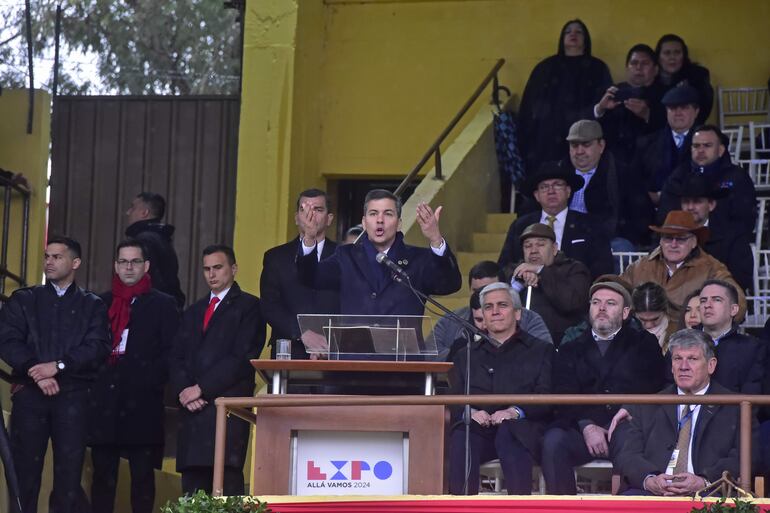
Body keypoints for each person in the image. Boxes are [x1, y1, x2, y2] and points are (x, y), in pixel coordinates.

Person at [0, 236, 110, 513]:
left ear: (75, 263)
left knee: (69, 476)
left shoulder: (92, 305)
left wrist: (59, 366)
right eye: (47, 256)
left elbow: (97, 347)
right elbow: (7, 340)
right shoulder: (25, 299)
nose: (49, 261)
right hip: (29, 395)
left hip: (73, 397)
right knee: (23, 473)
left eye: (57, 257)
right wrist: (37, 371)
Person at [541, 280, 666, 494]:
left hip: (628, 426)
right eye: (596, 302)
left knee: (632, 448)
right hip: (582, 429)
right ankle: (563, 508)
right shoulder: (571, 348)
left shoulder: (644, 343)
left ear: (626, 312)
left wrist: (621, 417)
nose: (601, 308)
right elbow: (563, 393)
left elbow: (652, 386)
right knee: (553, 442)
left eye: (610, 303)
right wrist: (587, 425)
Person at [89, 239, 180, 513]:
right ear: (116, 266)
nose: (129, 267)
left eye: (135, 261)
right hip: (104, 405)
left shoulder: (163, 304)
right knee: (102, 480)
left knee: (142, 481)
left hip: (143, 405)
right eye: (123, 262)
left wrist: (151, 381)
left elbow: (172, 351)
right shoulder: (99, 303)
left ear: (146, 266)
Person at [613, 329, 758, 495]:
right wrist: (650, 479)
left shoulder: (736, 407)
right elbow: (628, 454)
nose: (683, 367)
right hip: (653, 493)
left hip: (710, 492)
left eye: (692, 359)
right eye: (677, 359)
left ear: (711, 365)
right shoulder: (647, 404)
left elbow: (747, 457)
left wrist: (704, 480)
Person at [170, 245, 266, 496]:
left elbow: (242, 358)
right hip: (191, 413)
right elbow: (176, 356)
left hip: (225, 409)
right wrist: (183, 390)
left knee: (225, 484)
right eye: (207, 269)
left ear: (233, 269)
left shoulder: (250, 307)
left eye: (218, 267)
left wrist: (200, 389)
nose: (212, 274)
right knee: (191, 490)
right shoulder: (193, 311)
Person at [448, 283, 553, 495]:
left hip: (523, 430)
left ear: (517, 314)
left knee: (510, 431)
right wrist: (472, 412)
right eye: (488, 307)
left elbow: (547, 397)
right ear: (482, 317)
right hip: (481, 429)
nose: (495, 311)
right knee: (462, 433)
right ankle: (461, 507)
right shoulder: (465, 354)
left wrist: (514, 412)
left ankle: (518, 508)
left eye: (502, 305)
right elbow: (454, 399)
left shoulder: (541, 351)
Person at [297, 189, 462, 316]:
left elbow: (449, 284)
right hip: (356, 356)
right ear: (364, 222)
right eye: (373, 213)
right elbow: (310, 278)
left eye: (388, 214)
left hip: (402, 357)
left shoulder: (419, 259)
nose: (380, 220)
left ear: (399, 223)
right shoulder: (346, 257)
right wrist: (309, 238)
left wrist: (435, 238)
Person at [517, 19, 612, 173]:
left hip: (584, 139)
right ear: (562, 38)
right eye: (568, 31)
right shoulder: (545, 68)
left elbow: (604, 106)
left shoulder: (597, 68)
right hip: (546, 141)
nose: (573, 34)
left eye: (578, 31)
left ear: (585, 39)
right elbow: (530, 108)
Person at [622, 210, 746, 321]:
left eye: (680, 239)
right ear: (660, 241)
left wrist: (710, 324)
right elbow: (617, 292)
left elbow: (738, 303)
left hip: (691, 338)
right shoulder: (640, 267)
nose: (673, 244)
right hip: (644, 334)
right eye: (668, 238)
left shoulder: (711, 268)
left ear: (694, 242)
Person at [498, 162, 613, 279]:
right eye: (544, 187)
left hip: (576, 291)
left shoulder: (590, 224)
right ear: (536, 195)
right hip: (530, 290)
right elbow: (505, 266)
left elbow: (603, 267)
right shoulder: (521, 225)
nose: (551, 191)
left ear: (568, 191)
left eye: (557, 185)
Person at [261, 189, 339, 359]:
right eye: (305, 210)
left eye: (318, 210)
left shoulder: (344, 255)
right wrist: (301, 333)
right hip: (289, 349)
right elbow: (270, 306)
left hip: (333, 350)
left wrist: (328, 341)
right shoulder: (275, 257)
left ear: (329, 219)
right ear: (296, 217)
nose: (311, 216)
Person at [430, 260, 552, 360]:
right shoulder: (451, 319)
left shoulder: (529, 318)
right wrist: (466, 356)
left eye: (488, 290)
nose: (481, 295)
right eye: (476, 290)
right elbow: (429, 353)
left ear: (505, 288)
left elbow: (545, 353)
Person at [660, 125, 757, 238]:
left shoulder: (737, 177)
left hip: (726, 243)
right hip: (681, 241)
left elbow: (744, 220)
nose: (700, 150)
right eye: (696, 146)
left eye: (707, 146)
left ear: (720, 150)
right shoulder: (678, 176)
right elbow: (665, 215)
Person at [670, 172, 753, 293]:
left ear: (711, 205)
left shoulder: (732, 236)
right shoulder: (669, 233)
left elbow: (740, 278)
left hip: (719, 301)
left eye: (697, 201)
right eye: (686, 202)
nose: (690, 207)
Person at [510, 223, 590, 346]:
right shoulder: (515, 272)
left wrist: (541, 271)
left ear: (554, 249)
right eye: (527, 246)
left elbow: (571, 303)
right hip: (521, 347)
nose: (533, 251)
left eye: (541, 245)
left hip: (563, 346)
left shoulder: (574, 269)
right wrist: (517, 285)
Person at [594, 44, 666, 167]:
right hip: (612, 162)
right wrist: (600, 109)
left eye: (644, 63)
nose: (639, 67)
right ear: (627, 68)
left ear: (655, 69)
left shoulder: (665, 95)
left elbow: (674, 127)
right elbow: (591, 127)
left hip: (651, 161)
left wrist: (647, 114)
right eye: (634, 63)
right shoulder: (613, 92)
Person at [635, 85, 701, 205]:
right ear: (666, 112)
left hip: (696, 208)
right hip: (655, 212)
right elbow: (636, 181)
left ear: (696, 112)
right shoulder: (647, 143)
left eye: (684, 108)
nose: (678, 113)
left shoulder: (710, 142)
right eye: (673, 108)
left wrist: (665, 196)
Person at [698, 280, 765, 395]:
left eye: (716, 300)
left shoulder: (753, 348)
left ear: (733, 309)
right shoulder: (682, 343)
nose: (707, 305)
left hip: (735, 412)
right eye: (703, 301)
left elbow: (753, 396)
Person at [125, 192, 185, 309]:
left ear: (144, 213)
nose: (128, 212)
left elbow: (148, 282)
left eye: (133, 207)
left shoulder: (144, 241)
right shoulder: (162, 239)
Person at [562, 120, 621, 238]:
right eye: (574, 145)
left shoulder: (621, 174)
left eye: (586, 144)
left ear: (601, 146)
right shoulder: (556, 172)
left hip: (605, 239)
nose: (579, 151)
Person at [654, 34, 714, 125]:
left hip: (691, 129)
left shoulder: (697, 76)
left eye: (677, 52)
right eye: (667, 53)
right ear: (658, 57)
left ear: (684, 56)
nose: (672, 57)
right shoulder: (652, 78)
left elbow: (704, 109)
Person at [632, 282, 678, 354]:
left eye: (655, 319)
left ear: (665, 310)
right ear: (634, 314)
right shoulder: (626, 333)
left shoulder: (678, 331)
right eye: (642, 319)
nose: (649, 325)